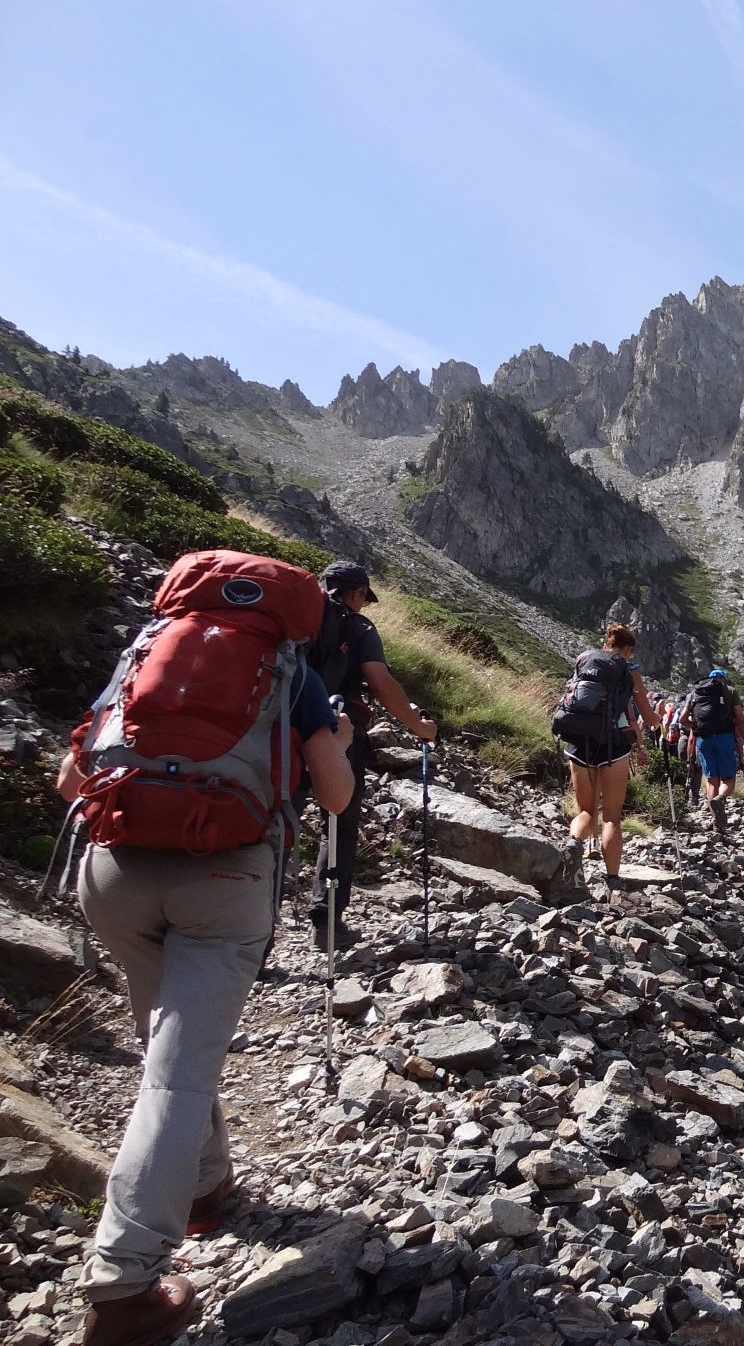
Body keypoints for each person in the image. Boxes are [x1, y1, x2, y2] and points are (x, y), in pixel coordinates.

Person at [56, 568, 355, 1346]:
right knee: (178, 1070)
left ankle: (204, 1186)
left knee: (169, 1038)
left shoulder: (148, 650)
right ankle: (124, 1285)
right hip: (224, 879)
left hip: (113, 875)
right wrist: (335, 744)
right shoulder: (290, 672)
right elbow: (335, 796)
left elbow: (70, 779)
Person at [304, 561, 436, 946]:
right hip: (336, 732)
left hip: (282, 727)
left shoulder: (297, 617)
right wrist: (421, 727)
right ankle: (326, 922)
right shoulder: (359, 627)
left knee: (278, 822)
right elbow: (380, 682)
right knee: (340, 822)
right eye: (364, 597)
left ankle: (250, 942)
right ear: (356, 593)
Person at [554, 624, 658, 878]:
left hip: (579, 742)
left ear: (606, 643)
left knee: (586, 812)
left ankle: (575, 843)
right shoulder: (629, 670)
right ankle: (613, 880)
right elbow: (648, 716)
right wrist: (655, 720)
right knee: (611, 818)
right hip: (613, 747)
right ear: (628, 649)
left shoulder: (584, 660)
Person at [687, 668, 744, 837]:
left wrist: (698, 729)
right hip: (724, 737)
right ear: (723, 679)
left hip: (703, 739)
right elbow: (739, 717)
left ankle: (717, 823)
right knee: (729, 778)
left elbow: (683, 719)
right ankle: (721, 798)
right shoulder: (729, 691)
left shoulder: (695, 692)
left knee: (711, 782)